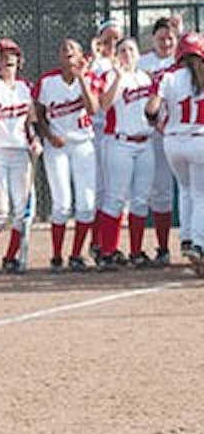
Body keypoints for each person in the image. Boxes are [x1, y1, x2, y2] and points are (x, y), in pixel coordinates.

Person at [33, 39, 101, 273]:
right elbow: (39, 115)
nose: (68, 53)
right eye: (64, 50)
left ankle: (75, 254)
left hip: (83, 144)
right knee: (62, 204)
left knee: (87, 204)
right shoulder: (47, 81)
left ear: (81, 55)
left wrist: (82, 77)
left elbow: (93, 109)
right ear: (59, 57)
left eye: (73, 50)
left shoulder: (89, 78)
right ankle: (56, 255)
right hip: (57, 146)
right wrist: (49, 135)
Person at [146, 32, 204, 277]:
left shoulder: (167, 76)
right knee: (201, 194)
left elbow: (151, 109)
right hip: (200, 139)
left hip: (172, 141)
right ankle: (199, 244)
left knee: (186, 190)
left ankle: (187, 239)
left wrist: (158, 125)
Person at [0, 38, 41, 274]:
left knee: (22, 209)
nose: (8, 65)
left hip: (19, 152)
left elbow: (30, 121)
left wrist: (34, 138)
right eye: (3, 60)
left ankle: (10, 257)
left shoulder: (25, 88)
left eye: (12, 61)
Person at [97, 38, 156, 269]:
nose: (127, 54)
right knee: (115, 197)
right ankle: (107, 251)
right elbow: (104, 104)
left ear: (138, 53)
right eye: (122, 50)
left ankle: (136, 251)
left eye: (131, 49)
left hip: (145, 141)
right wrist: (119, 77)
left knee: (141, 200)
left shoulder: (145, 77)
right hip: (119, 142)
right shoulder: (111, 76)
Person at [136, 17, 179, 265]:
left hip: (177, 130)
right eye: (161, 37)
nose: (166, 41)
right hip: (150, 133)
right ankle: (162, 248)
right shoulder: (143, 63)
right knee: (158, 191)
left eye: (170, 37)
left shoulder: (183, 63)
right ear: (153, 38)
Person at [89, 19, 122, 262]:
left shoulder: (123, 63)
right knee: (101, 190)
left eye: (116, 39)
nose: (111, 44)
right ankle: (97, 242)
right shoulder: (97, 64)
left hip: (119, 131)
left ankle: (110, 243)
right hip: (96, 130)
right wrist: (92, 56)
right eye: (107, 38)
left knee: (116, 191)